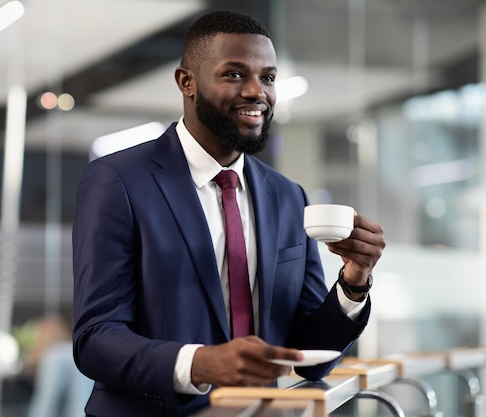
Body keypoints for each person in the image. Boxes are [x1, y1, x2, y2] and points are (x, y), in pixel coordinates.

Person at [72, 10, 385, 417]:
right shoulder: (117, 181)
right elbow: (95, 339)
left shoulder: (288, 197)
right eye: (235, 74)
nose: (257, 91)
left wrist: (354, 282)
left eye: (268, 77)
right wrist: (202, 362)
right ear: (187, 82)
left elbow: (313, 356)